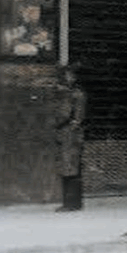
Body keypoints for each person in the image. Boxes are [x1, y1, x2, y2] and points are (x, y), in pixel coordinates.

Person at [54, 64, 86, 211]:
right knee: (73, 168)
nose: (66, 78)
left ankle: (70, 203)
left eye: (68, 75)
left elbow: (65, 115)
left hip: (69, 134)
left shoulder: (72, 94)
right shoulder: (77, 93)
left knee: (69, 168)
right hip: (73, 134)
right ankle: (74, 203)